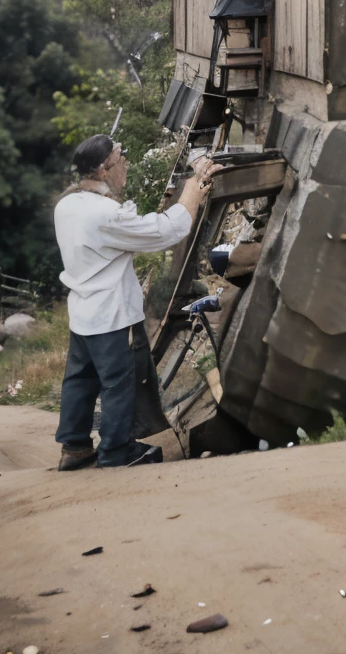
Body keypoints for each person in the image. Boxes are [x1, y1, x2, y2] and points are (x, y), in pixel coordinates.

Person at [53, 134, 221, 470]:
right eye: (120, 156)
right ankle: (116, 453)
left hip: (83, 311)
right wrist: (192, 190)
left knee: (80, 380)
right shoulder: (104, 214)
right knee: (119, 384)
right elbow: (164, 232)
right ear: (104, 169)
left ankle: (74, 448)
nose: (126, 161)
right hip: (112, 315)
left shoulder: (66, 205)